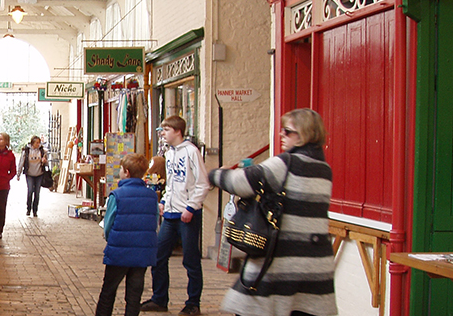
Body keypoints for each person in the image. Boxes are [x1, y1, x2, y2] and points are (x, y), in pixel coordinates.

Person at [207, 108, 337, 316]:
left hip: (282, 262)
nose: (281, 135)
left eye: (288, 131)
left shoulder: (287, 163)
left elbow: (242, 182)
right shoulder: (324, 169)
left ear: (304, 134)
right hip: (314, 266)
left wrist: (216, 174)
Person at [140, 116, 209, 316]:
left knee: (190, 259)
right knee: (158, 256)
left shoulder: (192, 152)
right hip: (170, 214)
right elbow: (171, 183)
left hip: (187, 214)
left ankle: (193, 302)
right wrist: (164, 202)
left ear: (178, 131)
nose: (162, 133)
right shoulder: (169, 154)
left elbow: (202, 183)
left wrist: (191, 207)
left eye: (166, 129)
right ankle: (159, 298)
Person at [95, 153, 160, 316]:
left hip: (119, 252)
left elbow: (108, 225)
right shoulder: (152, 196)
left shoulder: (117, 195)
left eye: (121, 170)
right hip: (142, 252)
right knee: (134, 295)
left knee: (108, 292)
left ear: (127, 172)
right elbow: (155, 222)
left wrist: (111, 240)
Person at [16, 136, 48, 217]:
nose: (38, 144)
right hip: (29, 174)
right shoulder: (26, 151)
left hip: (39, 174)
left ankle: (35, 210)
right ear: (32, 143)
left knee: (37, 193)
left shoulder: (42, 151)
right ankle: (28, 208)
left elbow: (46, 164)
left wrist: (44, 161)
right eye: (37, 142)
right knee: (30, 191)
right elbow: (21, 162)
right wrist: (18, 174)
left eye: (39, 142)